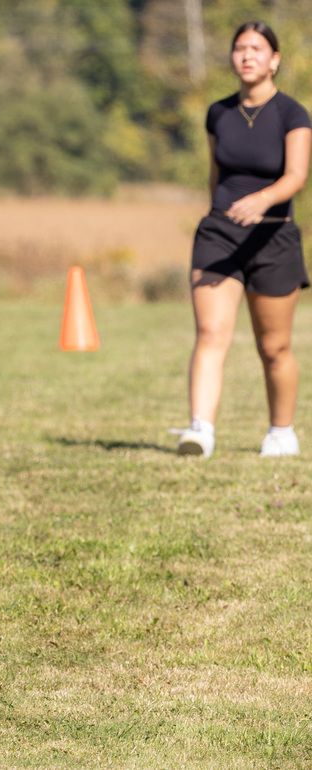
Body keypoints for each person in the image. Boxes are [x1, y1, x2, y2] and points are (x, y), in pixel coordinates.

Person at [178, 21, 311, 458]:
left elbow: (297, 176)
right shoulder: (217, 113)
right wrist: (216, 214)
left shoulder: (293, 114)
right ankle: (200, 430)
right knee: (210, 331)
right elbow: (215, 175)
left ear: (274, 60)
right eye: (239, 48)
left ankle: (281, 431)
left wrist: (263, 200)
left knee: (274, 346)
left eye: (257, 48)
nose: (247, 55)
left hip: (273, 236)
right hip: (220, 234)